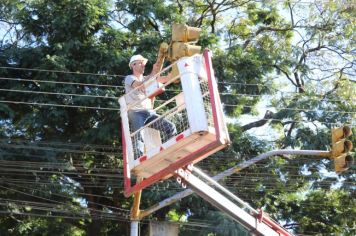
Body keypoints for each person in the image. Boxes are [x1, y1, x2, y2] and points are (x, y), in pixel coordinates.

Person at [124, 54, 177, 157]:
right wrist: (153, 73)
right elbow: (139, 85)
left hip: (149, 112)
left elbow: (160, 79)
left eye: (143, 64)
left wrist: (172, 75)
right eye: (141, 63)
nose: (143, 65)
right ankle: (138, 160)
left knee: (171, 127)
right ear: (133, 65)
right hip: (136, 112)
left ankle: (172, 152)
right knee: (139, 137)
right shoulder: (129, 78)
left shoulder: (146, 78)